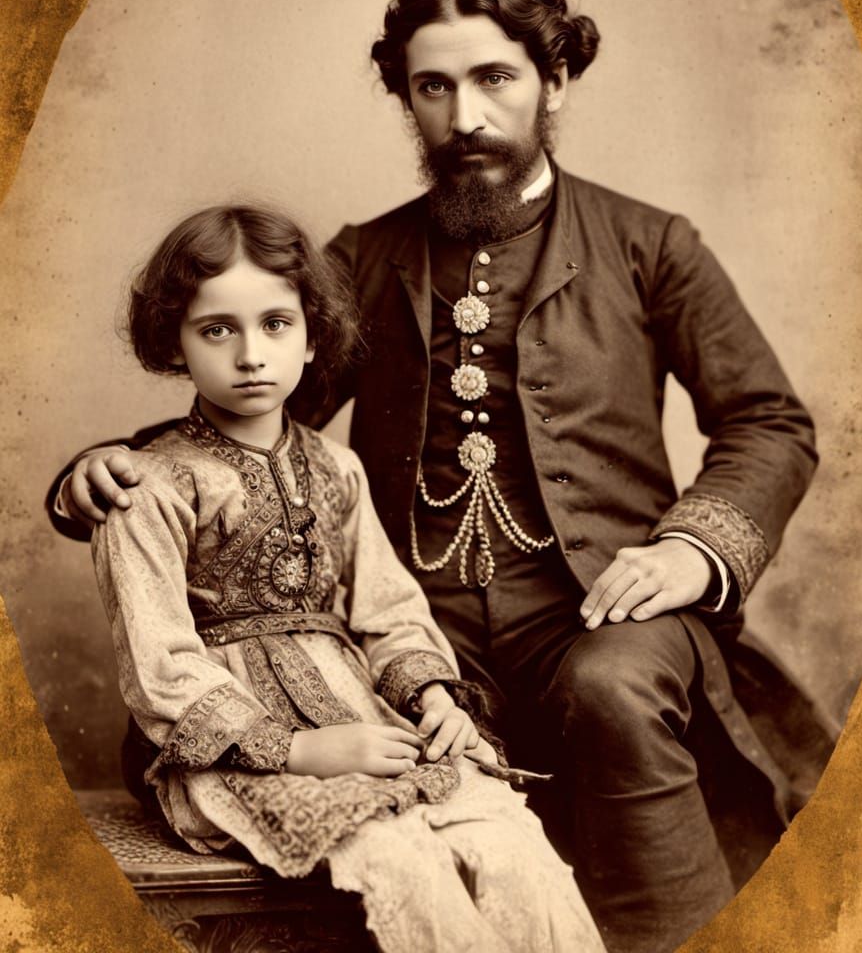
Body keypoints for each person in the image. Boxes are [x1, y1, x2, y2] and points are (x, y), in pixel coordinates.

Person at [52, 0, 825, 953]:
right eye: (432, 86)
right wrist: (107, 469)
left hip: (595, 608)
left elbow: (767, 420)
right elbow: (248, 415)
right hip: (416, 619)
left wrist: (689, 550)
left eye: (493, 78)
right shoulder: (361, 259)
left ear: (553, 78)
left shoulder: (649, 244)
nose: (464, 116)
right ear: (405, 96)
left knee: (614, 689)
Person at [82, 203, 603, 953]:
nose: (251, 355)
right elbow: (160, 667)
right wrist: (301, 752)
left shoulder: (337, 469)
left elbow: (388, 611)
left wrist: (432, 699)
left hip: (366, 718)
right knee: (402, 860)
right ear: (175, 341)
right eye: (216, 330)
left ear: (312, 335)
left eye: (275, 325)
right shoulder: (152, 487)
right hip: (234, 755)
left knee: (510, 839)